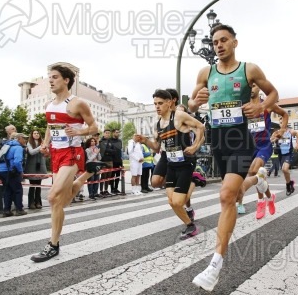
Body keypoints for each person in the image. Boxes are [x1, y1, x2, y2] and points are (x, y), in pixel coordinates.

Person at [187, 24, 279, 291]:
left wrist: (261, 106)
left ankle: (215, 265)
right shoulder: (206, 72)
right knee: (236, 193)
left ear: (234, 43)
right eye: (215, 41)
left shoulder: (249, 69)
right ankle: (260, 183)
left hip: (240, 140)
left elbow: (273, 93)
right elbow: (191, 103)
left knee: (227, 196)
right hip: (218, 141)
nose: (218, 45)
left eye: (224, 40)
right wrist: (196, 101)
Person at [30, 64, 107, 263]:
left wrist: (79, 132)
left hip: (72, 153)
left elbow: (94, 127)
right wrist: (46, 144)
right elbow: (50, 127)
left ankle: (53, 245)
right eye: (50, 77)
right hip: (56, 154)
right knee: (61, 201)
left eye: (55, 77)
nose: (51, 80)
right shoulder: (49, 104)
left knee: (53, 197)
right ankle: (86, 175)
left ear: (66, 80)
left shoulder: (76, 103)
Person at [137, 89, 204, 239]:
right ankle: (190, 226)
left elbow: (200, 127)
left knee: (178, 201)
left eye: (160, 103)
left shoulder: (179, 116)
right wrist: (144, 140)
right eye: (155, 104)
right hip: (171, 164)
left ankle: (194, 179)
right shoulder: (158, 124)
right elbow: (156, 147)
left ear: (169, 103)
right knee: (172, 202)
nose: (157, 106)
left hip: (185, 163)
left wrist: (194, 146)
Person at [236, 83, 288, 219]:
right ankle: (270, 197)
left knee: (253, 171)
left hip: (264, 145)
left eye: (253, 86)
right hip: (248, 147)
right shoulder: (244, 106)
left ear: (259, 87)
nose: (251, 89)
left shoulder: (266, 104)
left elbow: (284, 114)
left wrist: (281, 130)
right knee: (259, 174)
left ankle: (260, 202)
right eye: (248, 86)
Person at [0, 133, 29, 216]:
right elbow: (17, 162)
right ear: (19, 139)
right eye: (24, 138)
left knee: (7, 190)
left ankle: (6, 210)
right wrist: (21, 171)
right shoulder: (18, 148)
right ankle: (19, 209)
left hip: (1, 170)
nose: (25, 140)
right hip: (11, 171)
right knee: (18, 190)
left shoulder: (7, 145)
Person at [25, 130, 48, 209]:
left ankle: (38, 202)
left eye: (38, 133)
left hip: (40, 166)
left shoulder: (43, 142)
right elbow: (31, 152)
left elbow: (46, 153)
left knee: (39, 185)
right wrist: (40, 147)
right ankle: (31, 203)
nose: (36, 134)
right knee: (32, 185)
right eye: (34, 133)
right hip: (32, 166)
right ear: (32, 135)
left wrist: (45, 149)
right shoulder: (29, 143)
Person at [275, 117, 298, 196]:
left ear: (286, 123)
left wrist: (297, 144)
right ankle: (290, 183)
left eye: (283, 122)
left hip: (289, 153)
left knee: (285, 169)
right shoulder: (277, 132)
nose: (282, 124)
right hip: (281, 154)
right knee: (284, 171)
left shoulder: (290, 131)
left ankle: (288, 186)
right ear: (279, 123)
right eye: (281, 122)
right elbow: (271, 139)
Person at [98, 129, 116, 196]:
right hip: (103, 161)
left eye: (109, 133)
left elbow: (114, 151)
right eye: (106, 133)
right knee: (103, 176)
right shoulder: (101, 141)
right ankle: (101, 190)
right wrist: (109, 151)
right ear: (104, 133)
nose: (107, 134)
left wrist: (108, 151)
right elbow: (103, 150)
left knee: (108, 177)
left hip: (110, 161)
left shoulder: (111, 141)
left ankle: (106, 190)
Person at [110, 129, 123, 195]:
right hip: (112, 161)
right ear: (113, 133)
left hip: (118, 161)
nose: (118, 133)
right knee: (112, 176)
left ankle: (116, 188)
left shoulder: (120, 141)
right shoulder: (110, 141)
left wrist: (121, 162)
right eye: (116, 132)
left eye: (118, 132)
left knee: (118, 175)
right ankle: (112, 189)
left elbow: (120, 152)